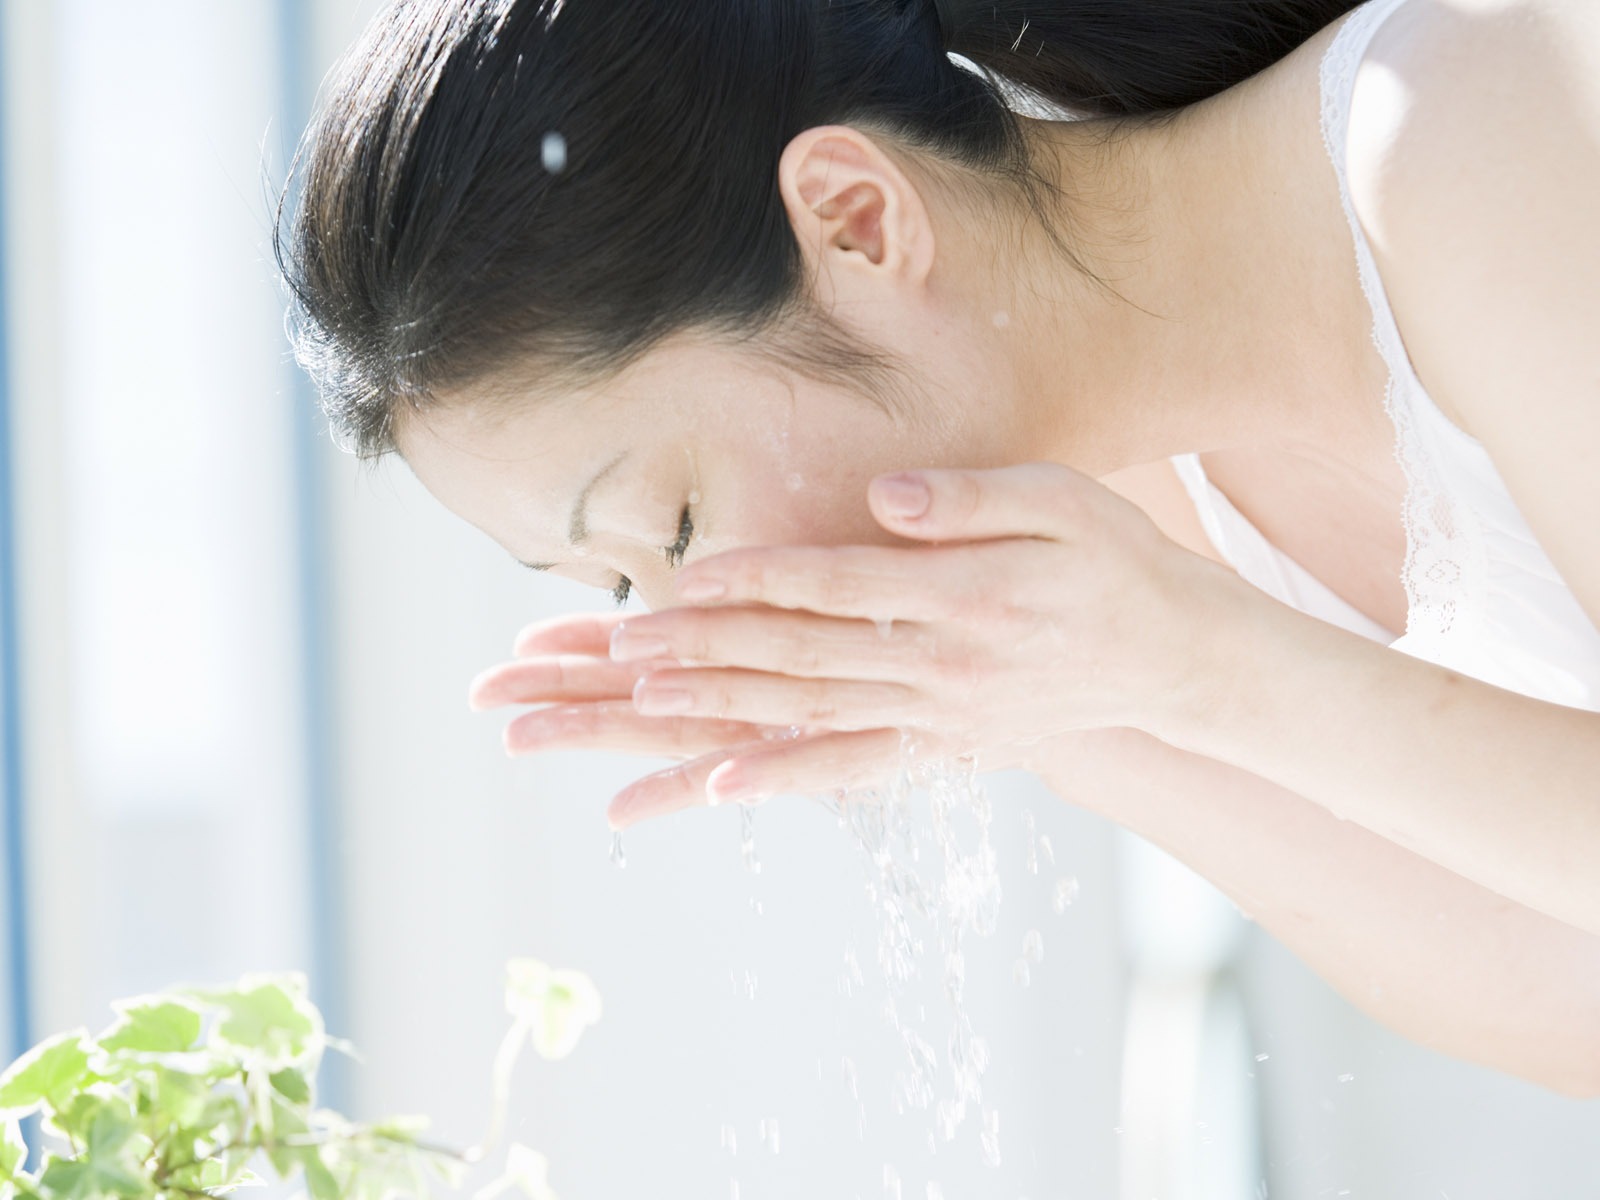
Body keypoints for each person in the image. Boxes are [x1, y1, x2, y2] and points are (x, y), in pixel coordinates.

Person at [278, 0, 1600, 1096]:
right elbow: (1565, 997)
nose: (704, 621)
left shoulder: (1464, 138)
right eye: (627, 586)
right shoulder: (1141, 514)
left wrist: (1211, 670)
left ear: (856, 218)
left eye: (674, 528)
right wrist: (1062, 722)